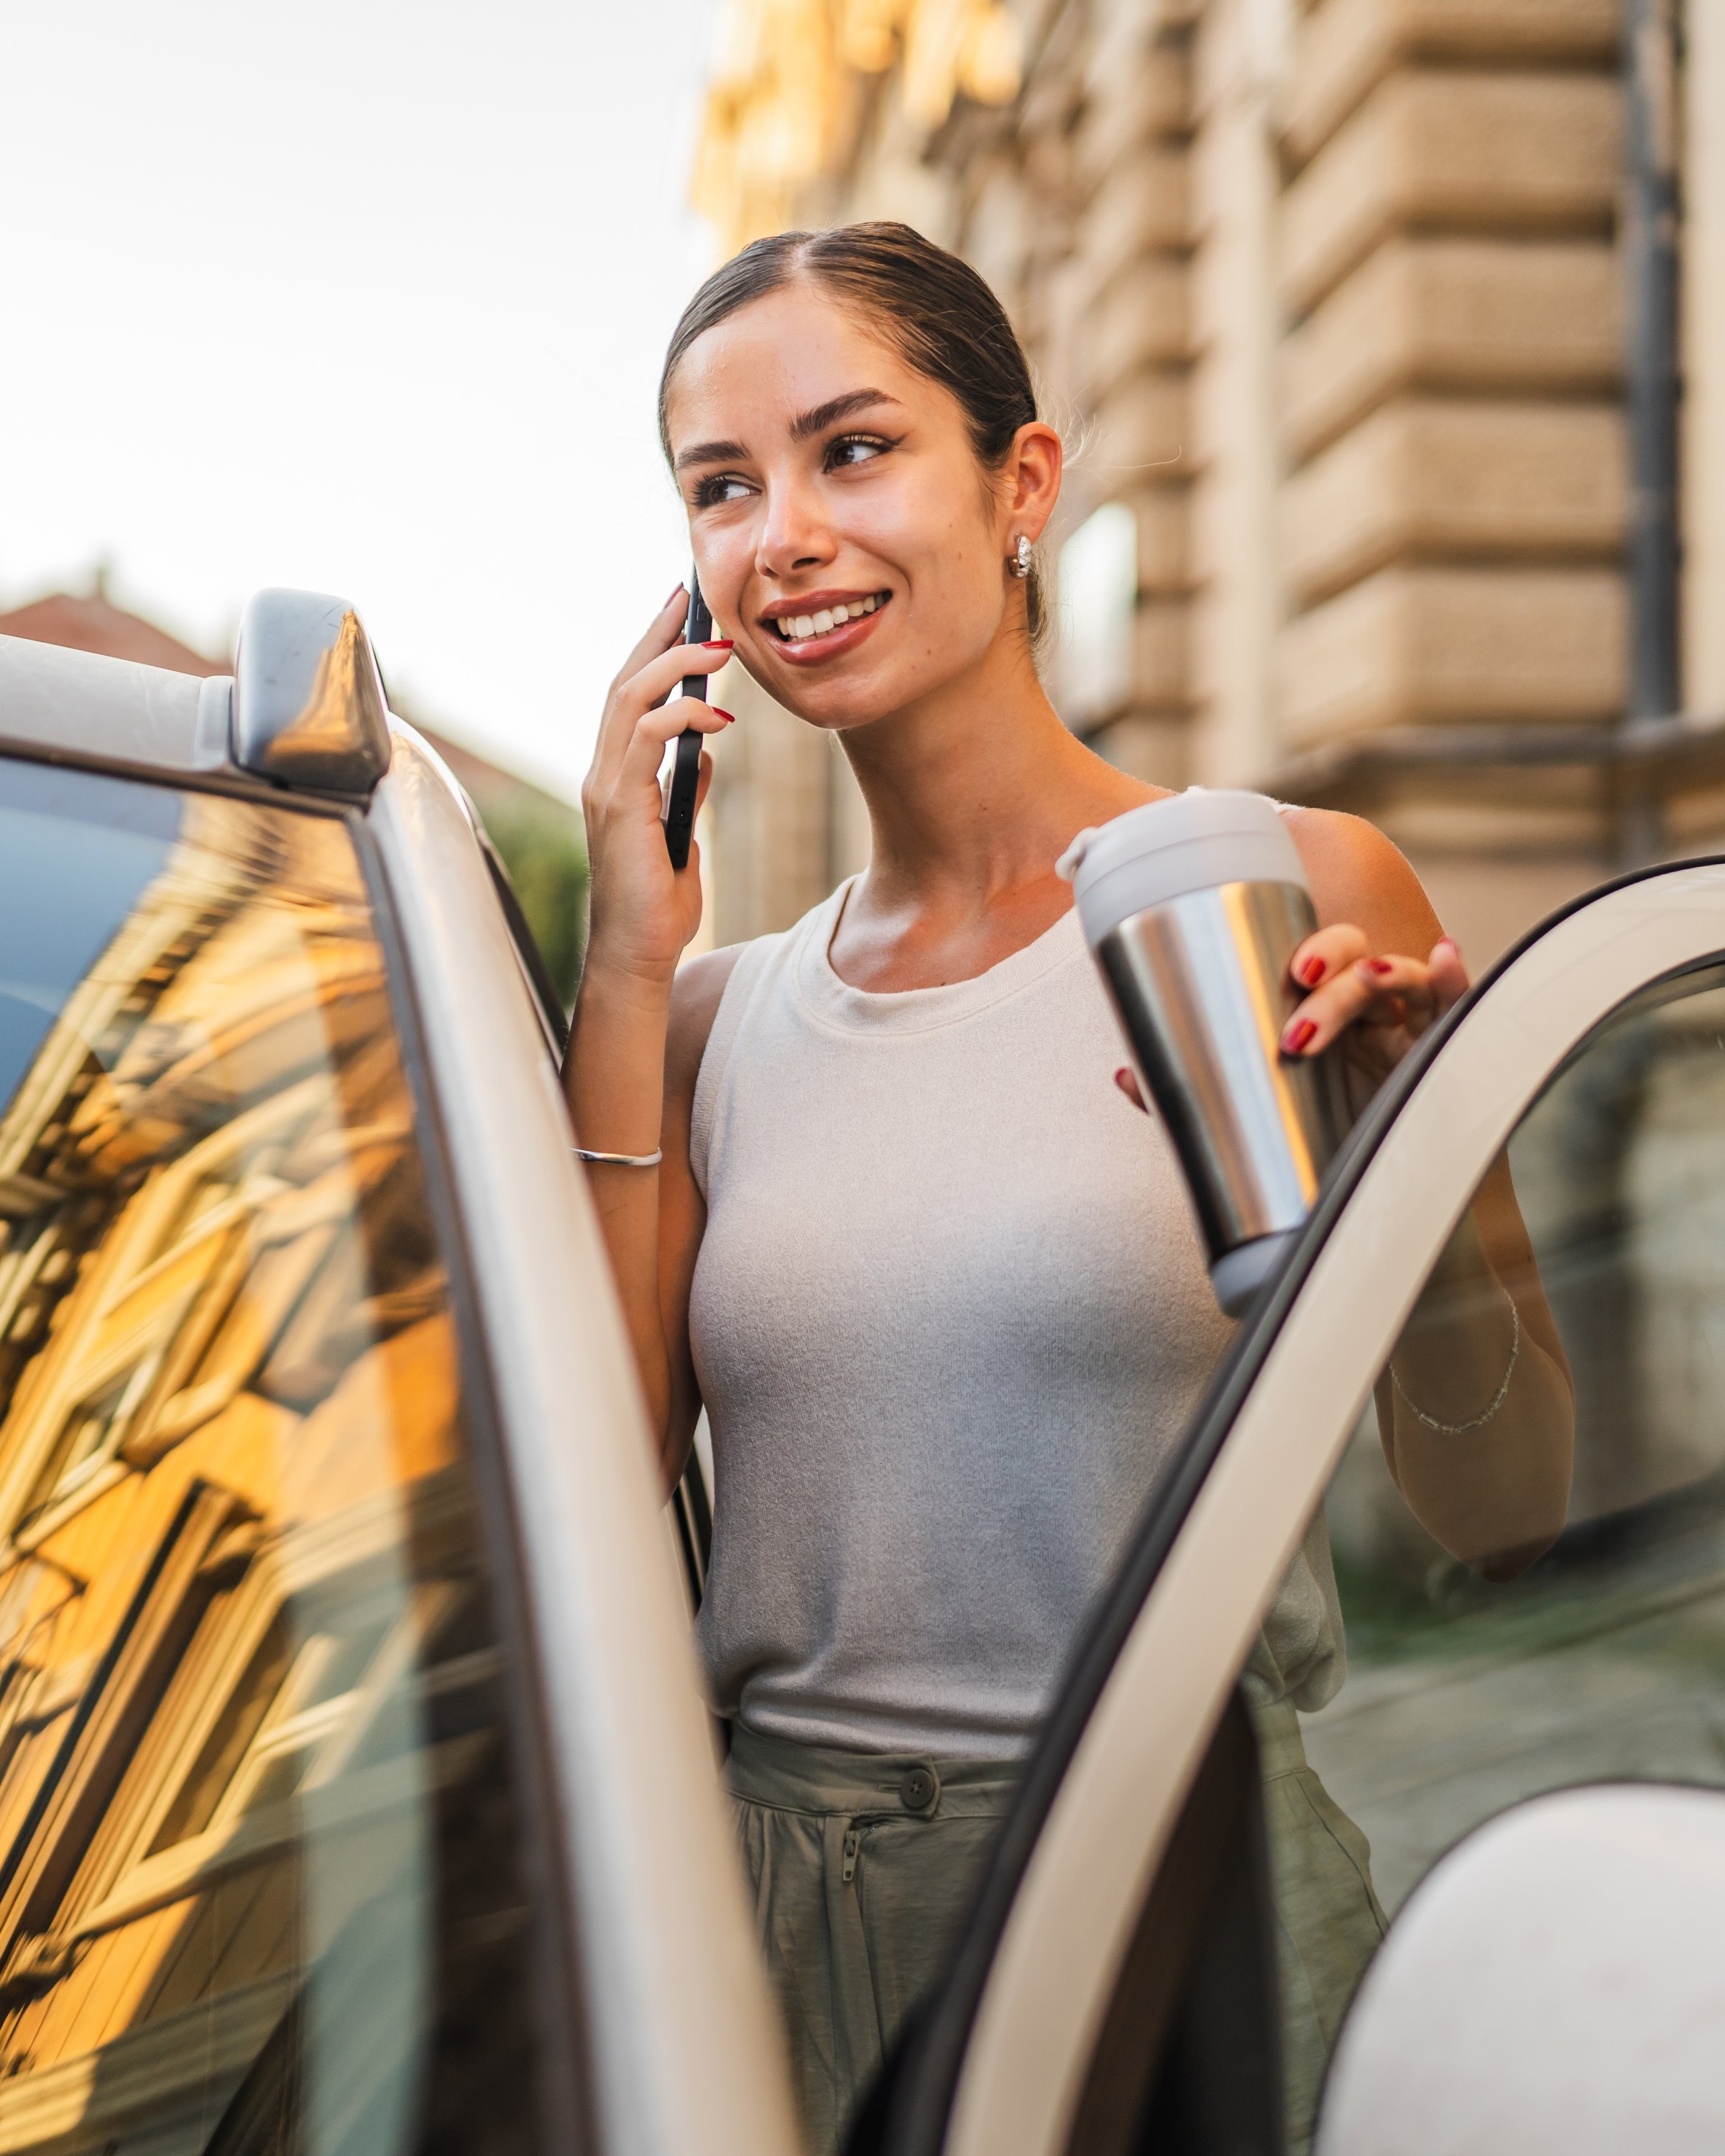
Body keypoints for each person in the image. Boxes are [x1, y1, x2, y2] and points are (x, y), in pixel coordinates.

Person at [566, 222, 1574, 2154]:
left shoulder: (1292, 888)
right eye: (722, 486)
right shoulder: (699, 1018)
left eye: (853, 450)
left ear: (1022, 483)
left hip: (1184, 1892)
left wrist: (1416, 1173)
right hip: (770, 1924)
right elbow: (590, 1525)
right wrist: (620, 964)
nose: (781, 533)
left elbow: (1509, 1514)